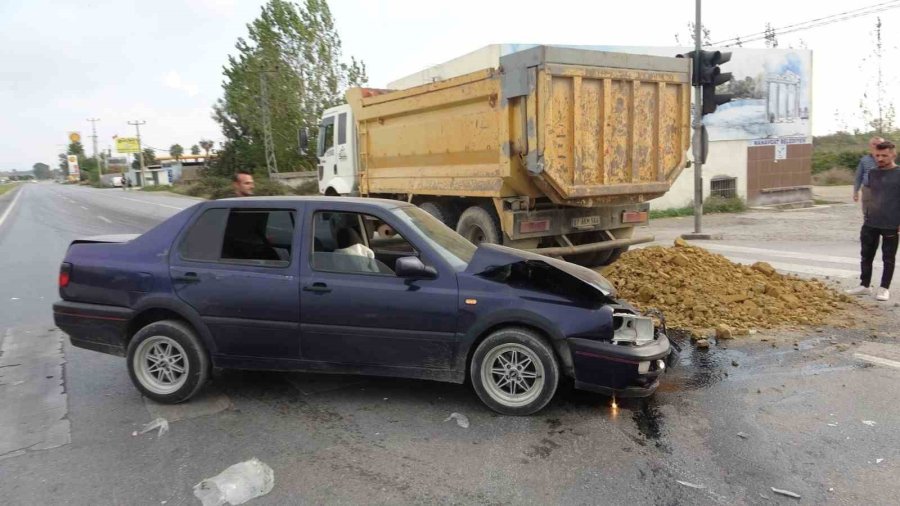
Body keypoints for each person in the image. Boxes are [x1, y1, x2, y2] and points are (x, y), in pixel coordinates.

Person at [846, 141, 900, 301]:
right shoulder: (873, 173)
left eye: (884, 155)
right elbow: (871, 196)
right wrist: (867, 214)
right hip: (871, 221)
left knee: (888, 257)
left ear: (893, 155)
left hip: (891, 222)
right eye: (877, 155)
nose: (880, 158)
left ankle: (884, 288)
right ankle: (864, 285)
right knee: (866, 254)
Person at [853, 136, 884, 202]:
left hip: (885, 190)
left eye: (880, 144)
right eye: (874, 144)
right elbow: (858, 176)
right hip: (868, 190)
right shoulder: (864, 160)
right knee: (868, 208)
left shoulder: (889, 159)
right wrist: (856, 191)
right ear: (870, 146)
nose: (877, 146)